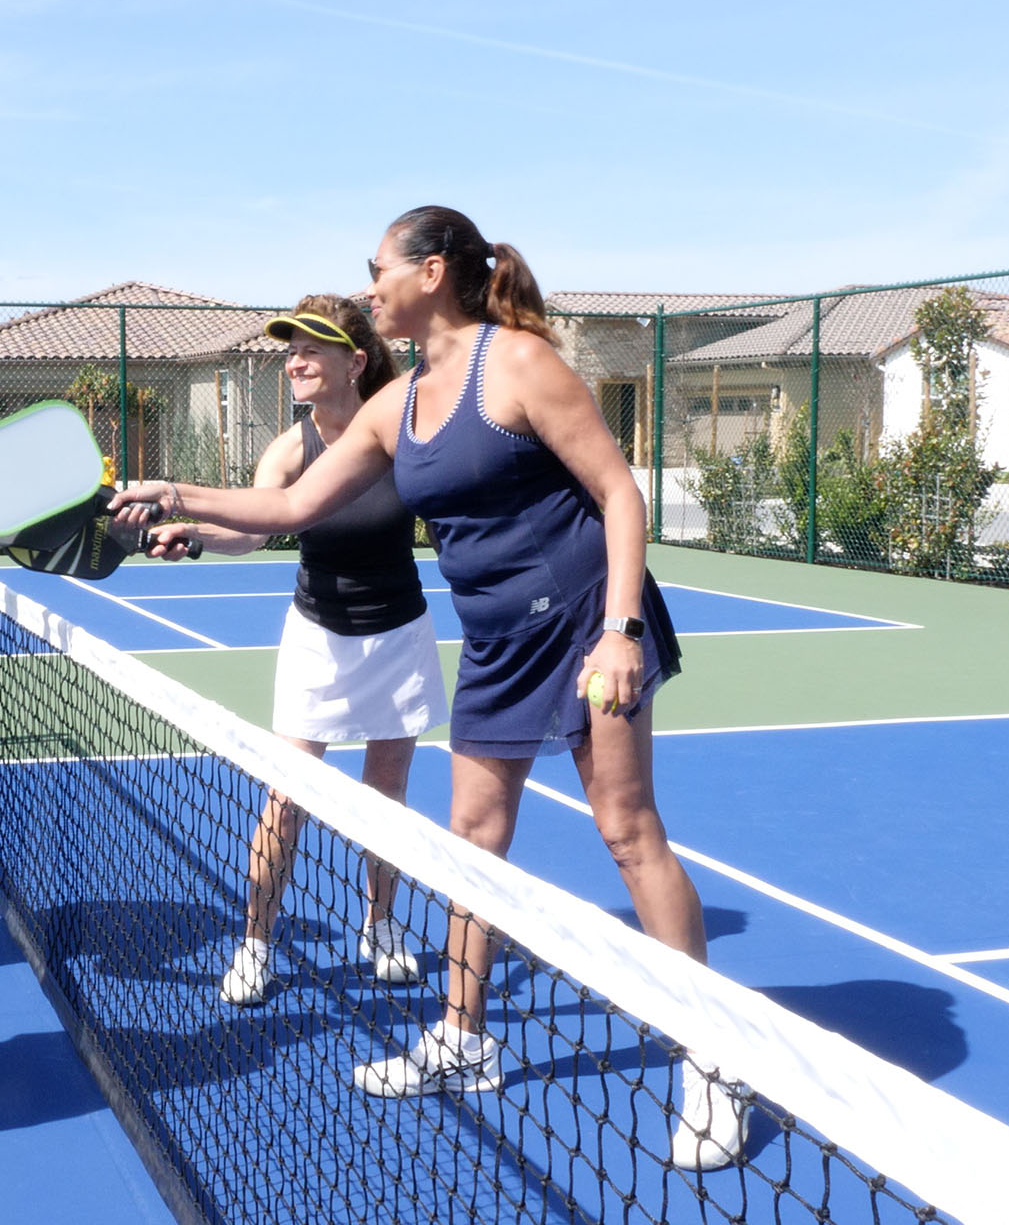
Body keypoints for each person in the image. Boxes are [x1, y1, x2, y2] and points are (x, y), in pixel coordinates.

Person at [116, 206, 745, 1170]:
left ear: (433, 271)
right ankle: (464, 1035)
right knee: (470, 852)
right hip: (495, 642)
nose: (371, 287)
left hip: (584, 623)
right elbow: (289, 505)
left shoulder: (520, 364)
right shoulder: (394, 404)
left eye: (380, 270)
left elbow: (620, 492)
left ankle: (714, 1064)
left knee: (627, 833)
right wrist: (176, 495)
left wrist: (620, 632)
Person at [143, 294, 447, 1006]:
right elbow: (256, 528)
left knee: (388, 795)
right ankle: (256, 942)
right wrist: (195, 533)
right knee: (287, 798)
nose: (297, 362)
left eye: (313, 348)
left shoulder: (403, 434)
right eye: (291, 350)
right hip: (318, 640)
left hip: (400, 633)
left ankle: (381, 925)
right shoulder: (289, 448)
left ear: (356, 361)